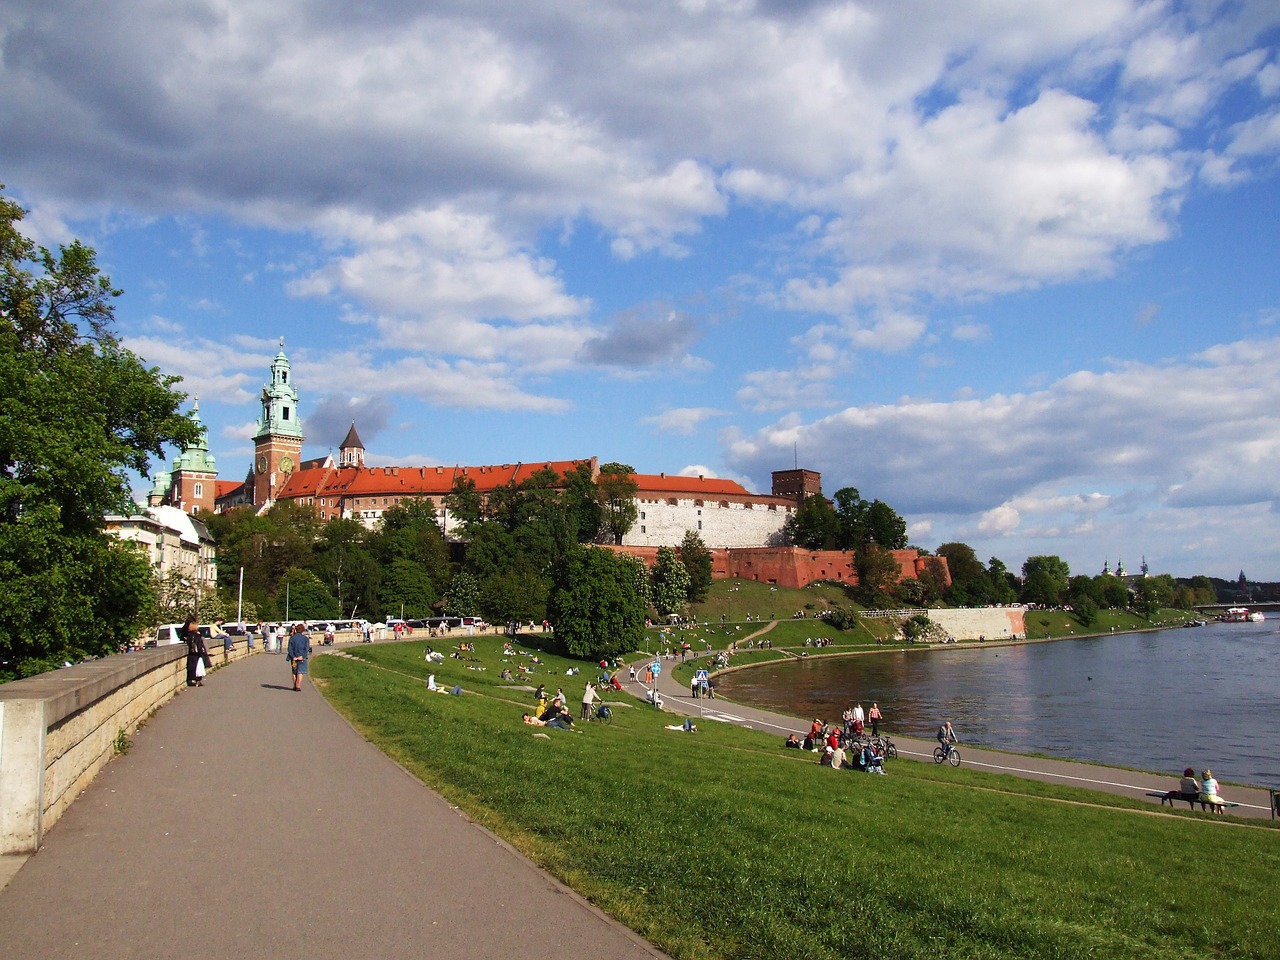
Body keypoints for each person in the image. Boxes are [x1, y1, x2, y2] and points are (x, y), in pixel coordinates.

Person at [182, 618, 210, 687]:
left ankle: (193, 680)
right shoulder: (196, 635)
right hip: (197, 654)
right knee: (198, 668)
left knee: (193, 668)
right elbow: (199, 645)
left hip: (192, 654)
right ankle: (198, 681)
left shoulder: (189, 635)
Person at [286, 622, 311, 692]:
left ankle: (294, 685)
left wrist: (293, 656)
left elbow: (289, 648)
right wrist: (302, 656)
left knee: (294, 672)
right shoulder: (305, 639)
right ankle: (298, 686)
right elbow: (306, 649)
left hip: (294, 657)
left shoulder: (292, 638)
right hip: (302, 657)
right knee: (300, 672)